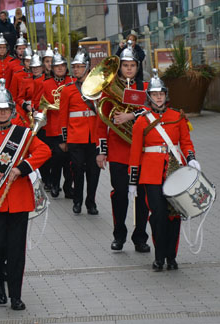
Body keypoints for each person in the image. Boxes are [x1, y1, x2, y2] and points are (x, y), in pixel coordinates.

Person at [0, 79, 51, 310]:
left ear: (12, 111)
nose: (2, 113)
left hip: (19, 202)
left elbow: (44, 151)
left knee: (16, 251)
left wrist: (22, 167)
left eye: (5, 110)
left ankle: (15, 295)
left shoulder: (23, 135)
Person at [128, 70, 199, 271]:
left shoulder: (177, 116)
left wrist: (192, 159)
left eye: (161, 94)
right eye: (155, 94)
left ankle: (171, 256)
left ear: (166, 95)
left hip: (175, 172)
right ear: (149, 97)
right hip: (151, 174)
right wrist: (133, 181)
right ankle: (159, 257)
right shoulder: (142, 121)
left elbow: (185, 142)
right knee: (158, 215)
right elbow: (135, 153)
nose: (159, 98)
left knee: (174, 215)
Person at [96, 43, 150, 253]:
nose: (129, 69)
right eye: (125, 65)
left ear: (138, 67)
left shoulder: (145, 89)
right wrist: (101, 151)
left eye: (132, 65)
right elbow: (101, 123)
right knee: (119, 194)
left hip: (143, 152)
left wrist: (130, 116)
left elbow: (152, 111)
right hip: (118, 151)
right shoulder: (109, 90)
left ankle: (140, 237)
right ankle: (119, 235)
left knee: (142, 196)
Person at [59, 46, 100, 215]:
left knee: (93, 172)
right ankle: (77, 201)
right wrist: (63, 139)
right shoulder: (68, 89)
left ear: (88, 67)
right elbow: (63, 115)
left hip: (94, 136)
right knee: (77, 169)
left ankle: (91, 202)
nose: (76, 69)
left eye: (80, 66)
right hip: (75, 136)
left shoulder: (98, 87)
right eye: (74, 66)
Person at [33, 49, 74, 198]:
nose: (60, 68)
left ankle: (68, 186)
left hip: (71, 127)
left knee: (70, 161)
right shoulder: (45, 84)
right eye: (57, 66)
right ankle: (55, 184)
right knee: (56, 158)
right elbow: (38, 103)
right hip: (53, 126)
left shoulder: (72, 82)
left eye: (62, 65)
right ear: (52, 68)